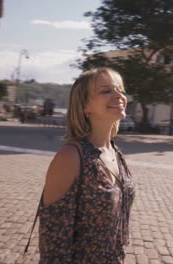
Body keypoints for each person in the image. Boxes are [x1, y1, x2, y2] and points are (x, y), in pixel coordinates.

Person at [38, 67, 136, 263]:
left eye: (120, 90)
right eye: (106, 91)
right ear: (84, 106)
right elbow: (53, 244)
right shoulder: (71, 157)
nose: (119, 96)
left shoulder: (116, 153)